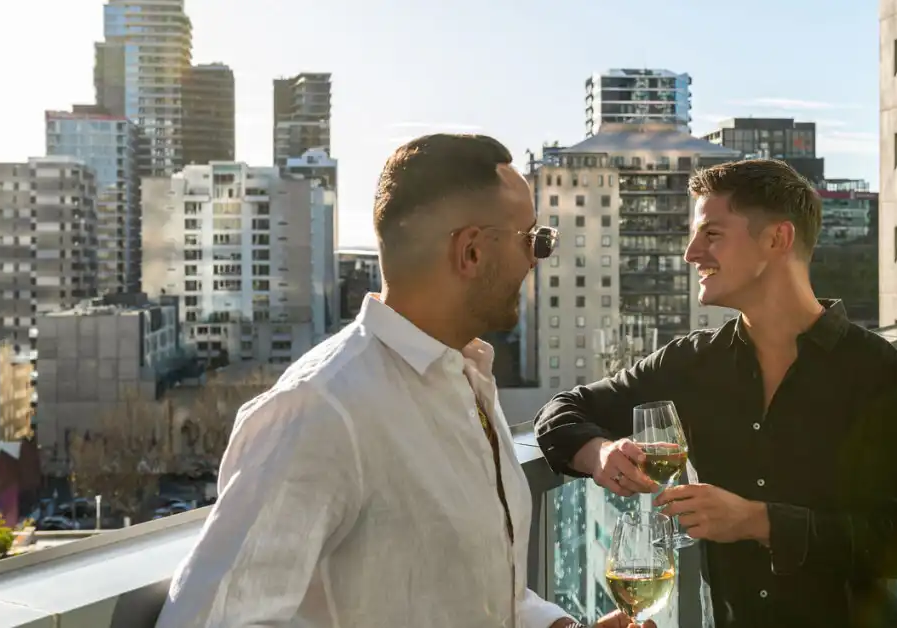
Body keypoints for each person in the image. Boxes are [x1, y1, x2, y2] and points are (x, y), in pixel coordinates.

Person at [156, 134, 651, 628]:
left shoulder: (467, 378)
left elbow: (481, 596)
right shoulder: (321, 408)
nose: (534, 260)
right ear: (471, 252)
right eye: (533, 240)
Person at [534, 159, 897, 627]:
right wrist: (598, 453)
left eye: (712, 234)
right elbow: (562, 411)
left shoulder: (882, 374)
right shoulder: (691, 363)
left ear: (776, 239)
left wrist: (757, 520)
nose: (691, 253)